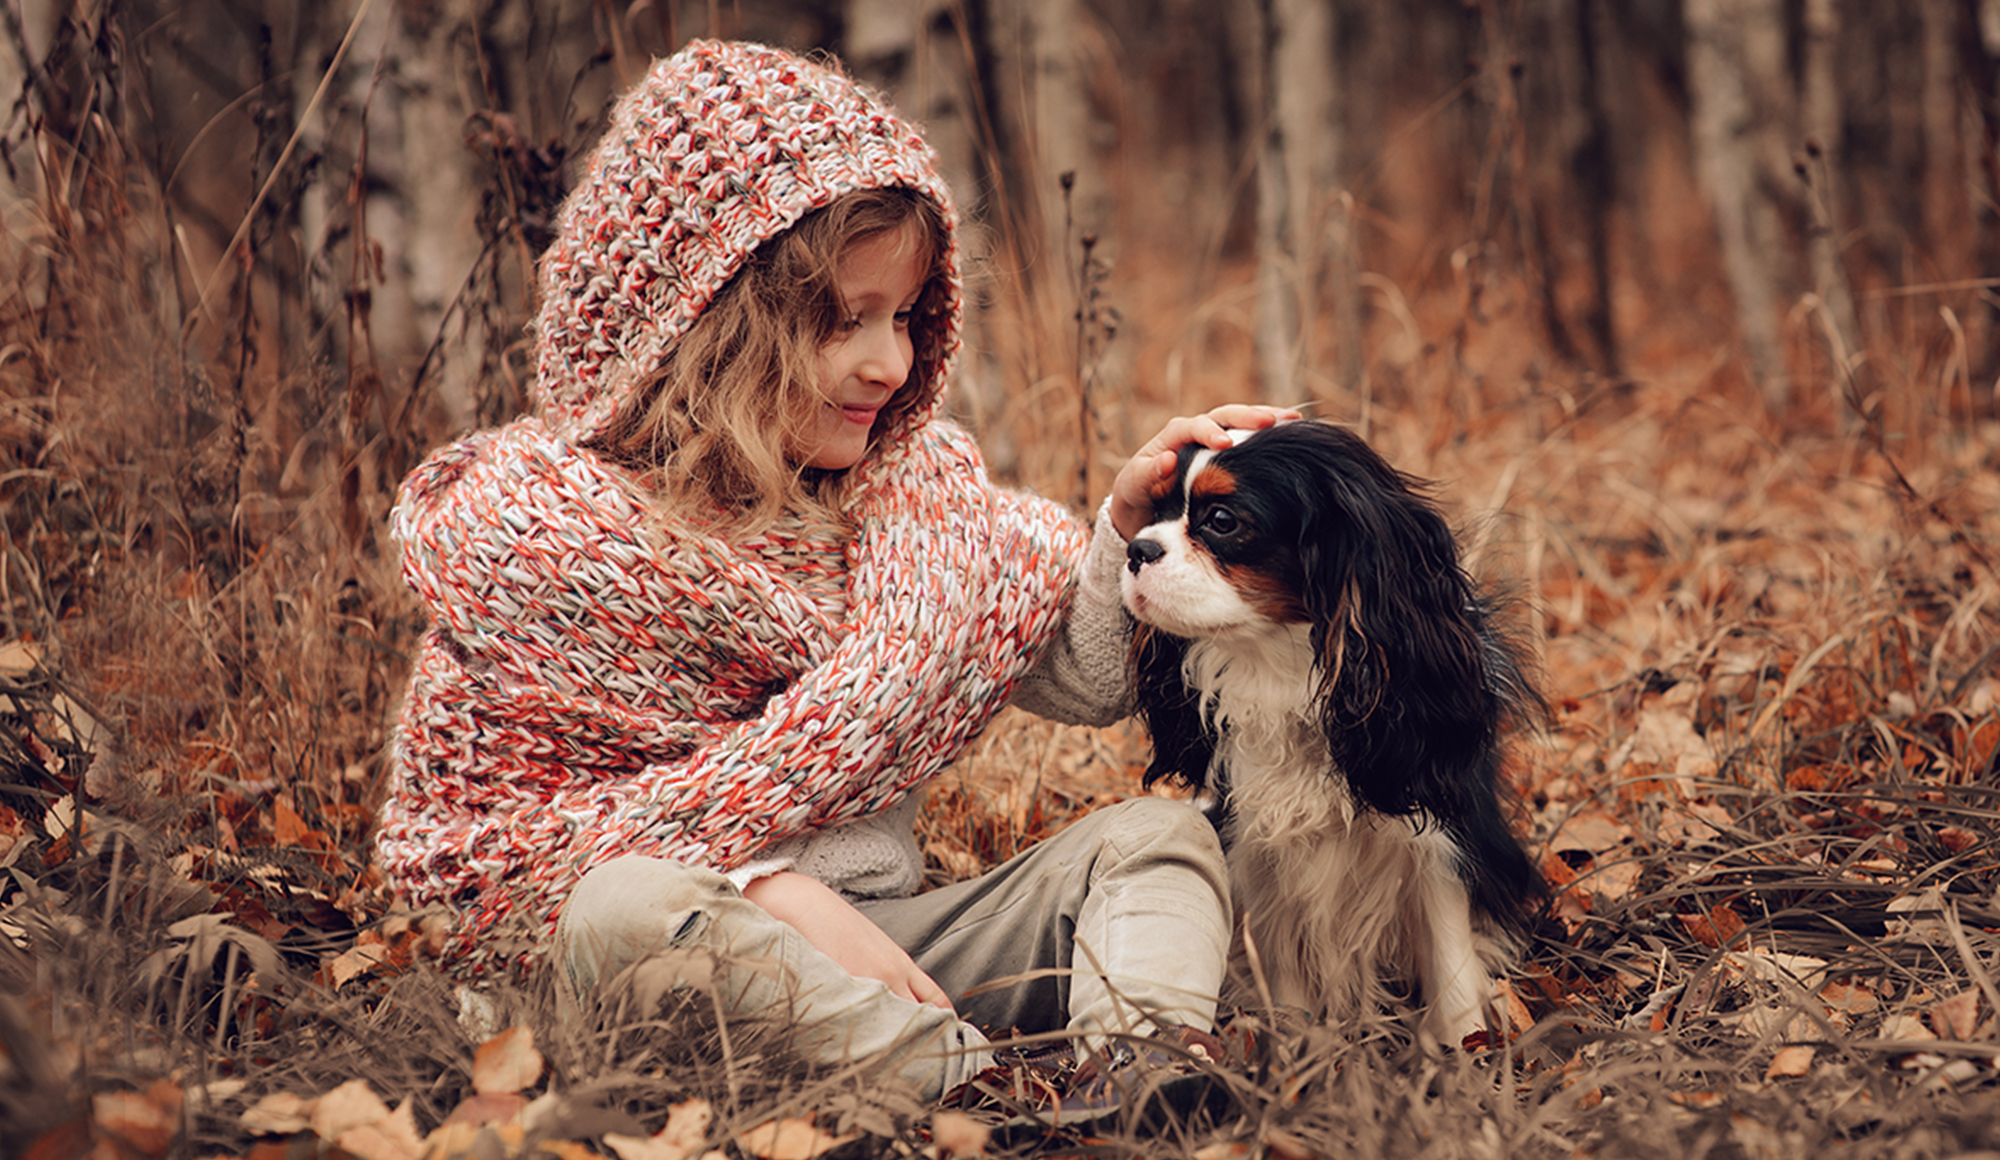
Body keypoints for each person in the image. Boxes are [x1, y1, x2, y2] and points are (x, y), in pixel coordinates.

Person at [376, 38, 1290, 1120]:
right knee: (622, 899)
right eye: (838, 320)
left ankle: (1136, 1073)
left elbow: (1093, 675)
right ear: (697, 324)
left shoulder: (917, 511)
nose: (890, 364)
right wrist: (770, 890)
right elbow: (471, 889)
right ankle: (970, 1095)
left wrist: (1127, 529)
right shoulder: (534, 548)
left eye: (902, 317)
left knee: (1153, 836)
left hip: (896, 949)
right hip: (686, 967)